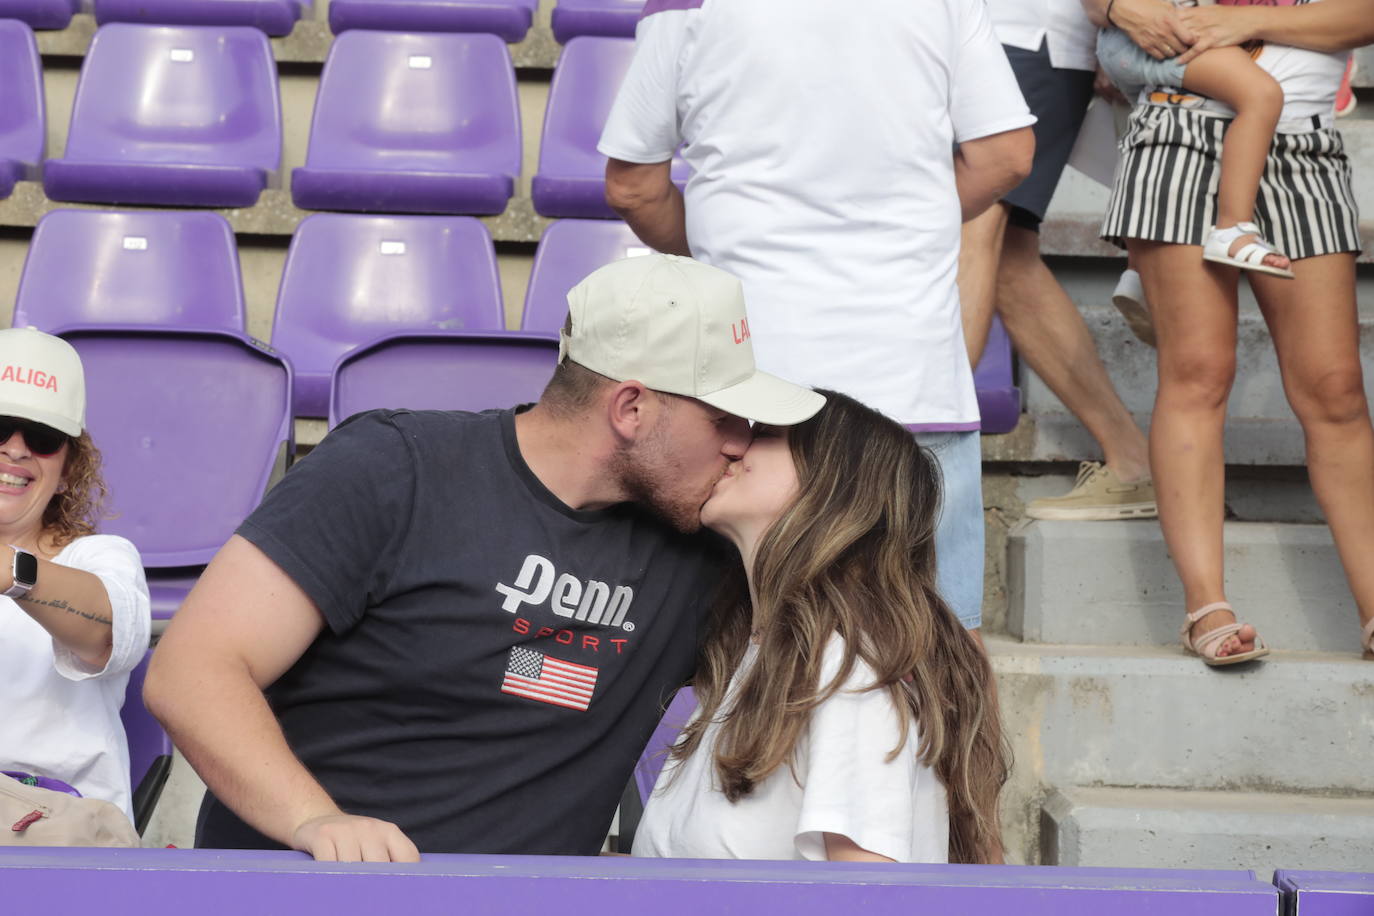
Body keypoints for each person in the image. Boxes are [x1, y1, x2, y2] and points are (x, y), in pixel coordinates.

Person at [144, 254, 826, 862]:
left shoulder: (700, 545)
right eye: (724, 418)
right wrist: (315, 821)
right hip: (314, 892)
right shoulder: (399, 468)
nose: (742, 442)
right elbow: (192, 669)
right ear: (632, 408)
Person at [597, 0, 1036, 638]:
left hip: (754, 389)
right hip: (913, 381)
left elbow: (633, 185)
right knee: (938, 663)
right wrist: (917, 217)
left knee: (754, 660)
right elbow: (1006, 155)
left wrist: (716, 263)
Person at [1089, 0, 1374, 663]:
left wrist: (1248, 23)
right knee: (1198, 371)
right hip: (1179, 133)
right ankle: (1205, 607)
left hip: (1305, 145)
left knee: (1335, 390)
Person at [632, 391, 1007, 864]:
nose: (735, 445)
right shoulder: (762, 651)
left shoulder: (852, 672)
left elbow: (870, 900)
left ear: (832, 485)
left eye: (766, 434)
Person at [960, 0, 1158, 523]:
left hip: (1023, 33)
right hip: (987, 30)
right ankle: (1132, 460)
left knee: (974, 228)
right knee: (1007, 259)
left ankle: (933, 447)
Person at [0, 327, 152, 823]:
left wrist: (12, 569)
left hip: (50, 830)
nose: (17, 451)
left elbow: (105, 631)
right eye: (0, 428)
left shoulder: (101, 555)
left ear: (68, 469)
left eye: (42, 438)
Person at [1098, 0, 1294, 277]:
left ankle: (1136, 271)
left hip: (1130, 40)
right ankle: (1232, 229)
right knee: (1262, 95)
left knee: (1147, 116)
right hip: (1158, 33)